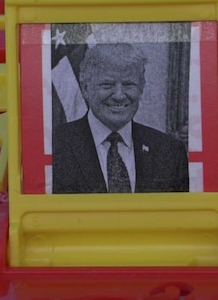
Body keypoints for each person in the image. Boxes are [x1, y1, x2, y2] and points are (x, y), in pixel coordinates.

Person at [51, 42, 189, 194]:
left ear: (141, 88)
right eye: (107, 85)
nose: (119, 95)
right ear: (85, 89)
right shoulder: (55, 146)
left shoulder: (169, 151)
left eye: (129, 84)